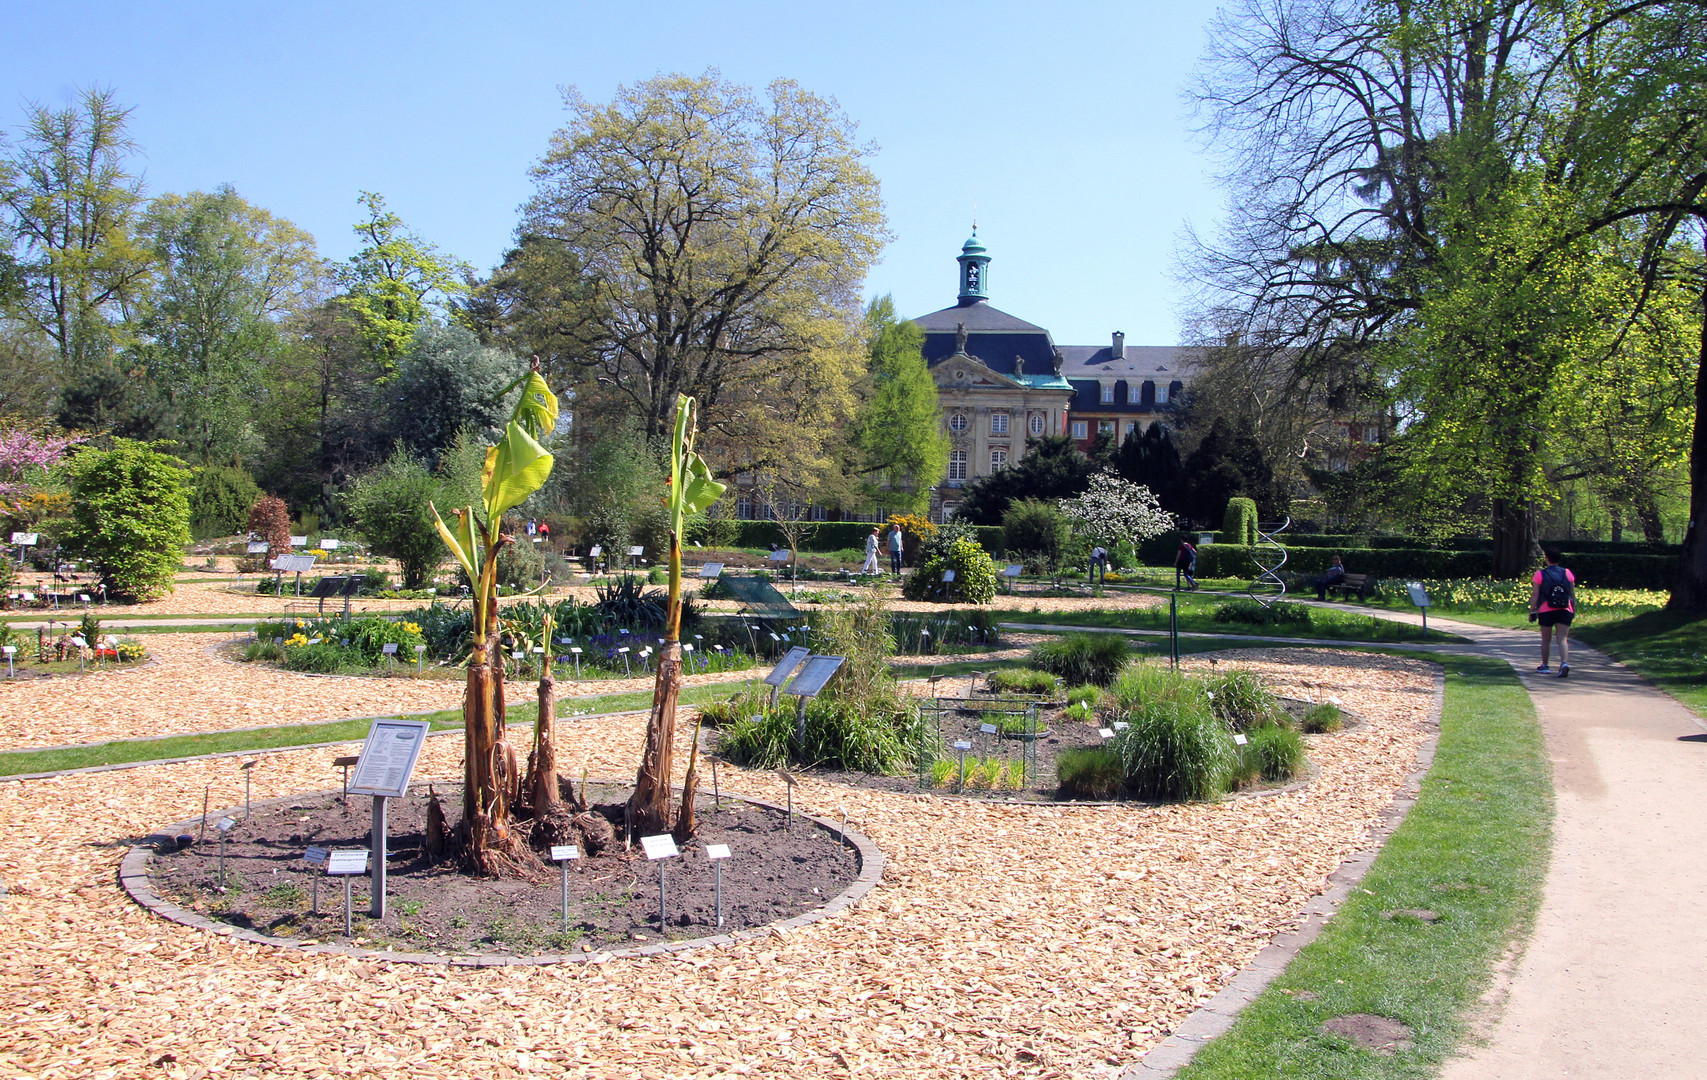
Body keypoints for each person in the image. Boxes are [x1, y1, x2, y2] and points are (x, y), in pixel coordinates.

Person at [1529, 549, 1575, 677]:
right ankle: (1564, 663)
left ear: (1547, 558)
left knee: (1546, 639)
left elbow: (1536, 594)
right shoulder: (1567, 573)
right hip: (1565, 608)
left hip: (1546, 609)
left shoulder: (1539, 574)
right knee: (1562, 638)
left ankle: (1545, 665)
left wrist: (1532, 609)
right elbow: (1572, 593)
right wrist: (1573, 608)